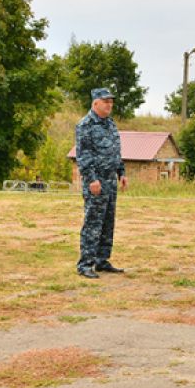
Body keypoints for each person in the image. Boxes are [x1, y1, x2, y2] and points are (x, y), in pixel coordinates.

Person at [75, 87, 127, 279]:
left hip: (110, 181)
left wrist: (121, 172)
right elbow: (83, 156)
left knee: (107, 222)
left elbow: (115, 151)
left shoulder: (110, 124)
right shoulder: (85, 125)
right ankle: (85, 264)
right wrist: (91, 179)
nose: (109, 105)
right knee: (93, 223)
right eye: (106, 101)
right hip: (96, 182)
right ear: (95, 103)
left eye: (111, 101)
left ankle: (101, 260)